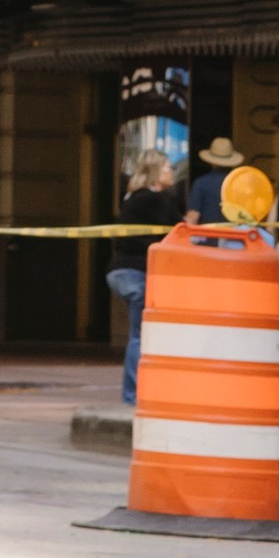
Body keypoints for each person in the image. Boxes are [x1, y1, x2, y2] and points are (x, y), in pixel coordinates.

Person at [107, 151, 185, 409]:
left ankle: (139, 392)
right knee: (141, 336)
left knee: (141, 334)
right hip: (136, 273)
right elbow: (181, 231)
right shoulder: (155, 200)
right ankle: (133, 395)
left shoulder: (132, 197)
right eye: (167, 167)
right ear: (155, 172)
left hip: (120, 271)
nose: (171, 172)